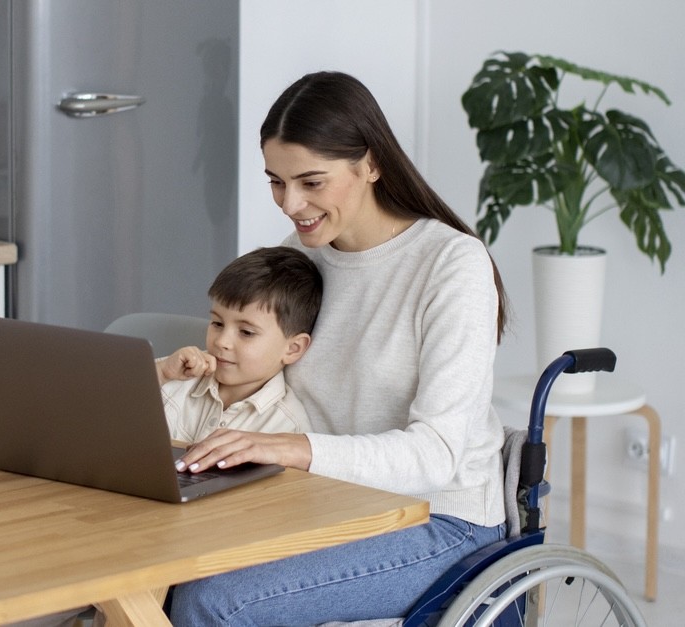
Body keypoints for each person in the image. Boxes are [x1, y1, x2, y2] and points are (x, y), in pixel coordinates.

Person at [169, 71, 511, 625]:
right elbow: (249, 382)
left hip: (441, 521)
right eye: (276, 182)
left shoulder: (451, 265)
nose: (290, 203)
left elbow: (437, 455)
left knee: (213, 600)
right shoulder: (299, 258)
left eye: (311, 182)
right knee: (144, 565)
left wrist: (291, 448)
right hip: (320, 500)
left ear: (371, 164)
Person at [157, 246, 320, 446]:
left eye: (246, 332)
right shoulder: (175, 376)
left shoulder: (287, 429)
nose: (221, 342)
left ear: (292, 348)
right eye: (217, 324)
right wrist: (161, 374)